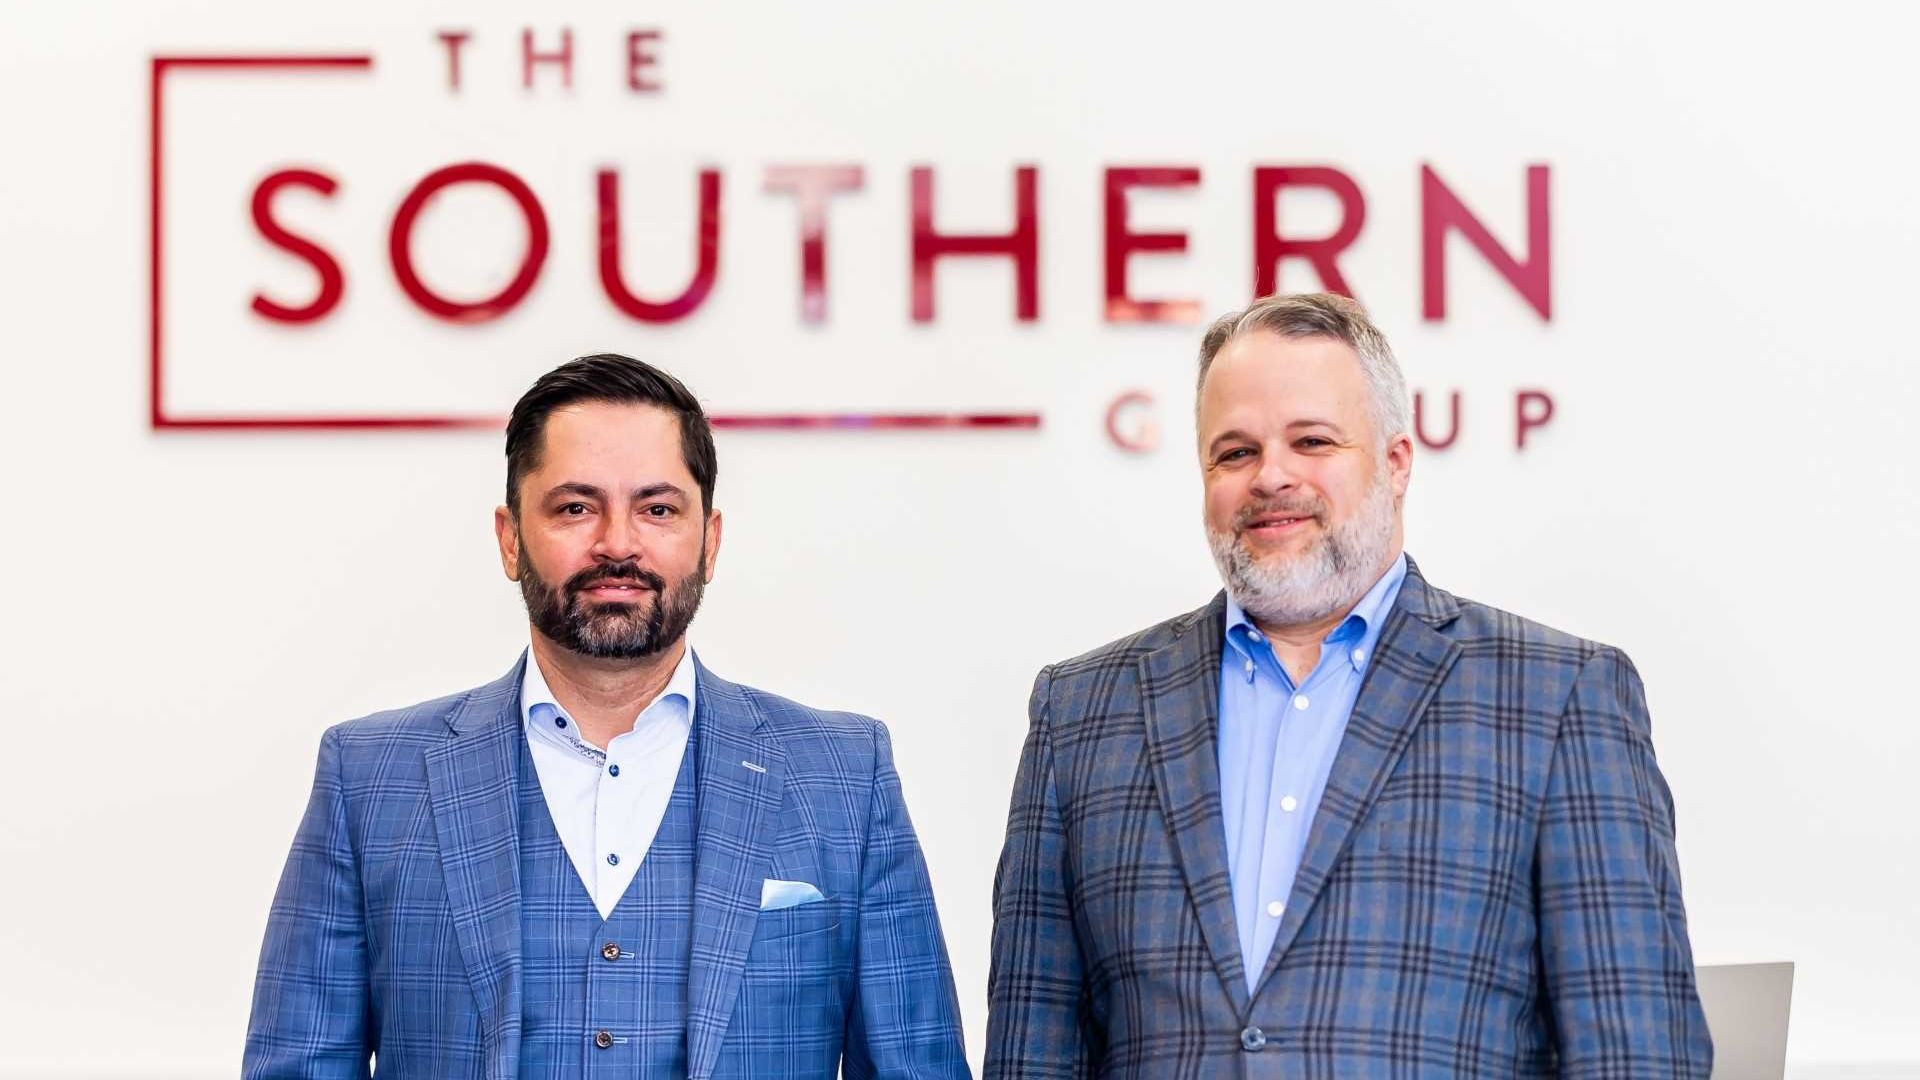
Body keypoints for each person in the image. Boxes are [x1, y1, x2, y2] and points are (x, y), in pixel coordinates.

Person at [985, 293, 1712, 1077]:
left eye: (1312, 440)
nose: (1271, 477)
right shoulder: (1084, 713)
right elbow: (1033, 1050)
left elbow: (1638, 1054)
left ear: (1396, 463)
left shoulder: (1561, 696)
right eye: (1234, 453)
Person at [245, 354, 969, 1079]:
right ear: (509, 537)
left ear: (709, 540)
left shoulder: (845, 775)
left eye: (657, 509)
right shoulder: (370, 779)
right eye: (575, 508)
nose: (617, 543)